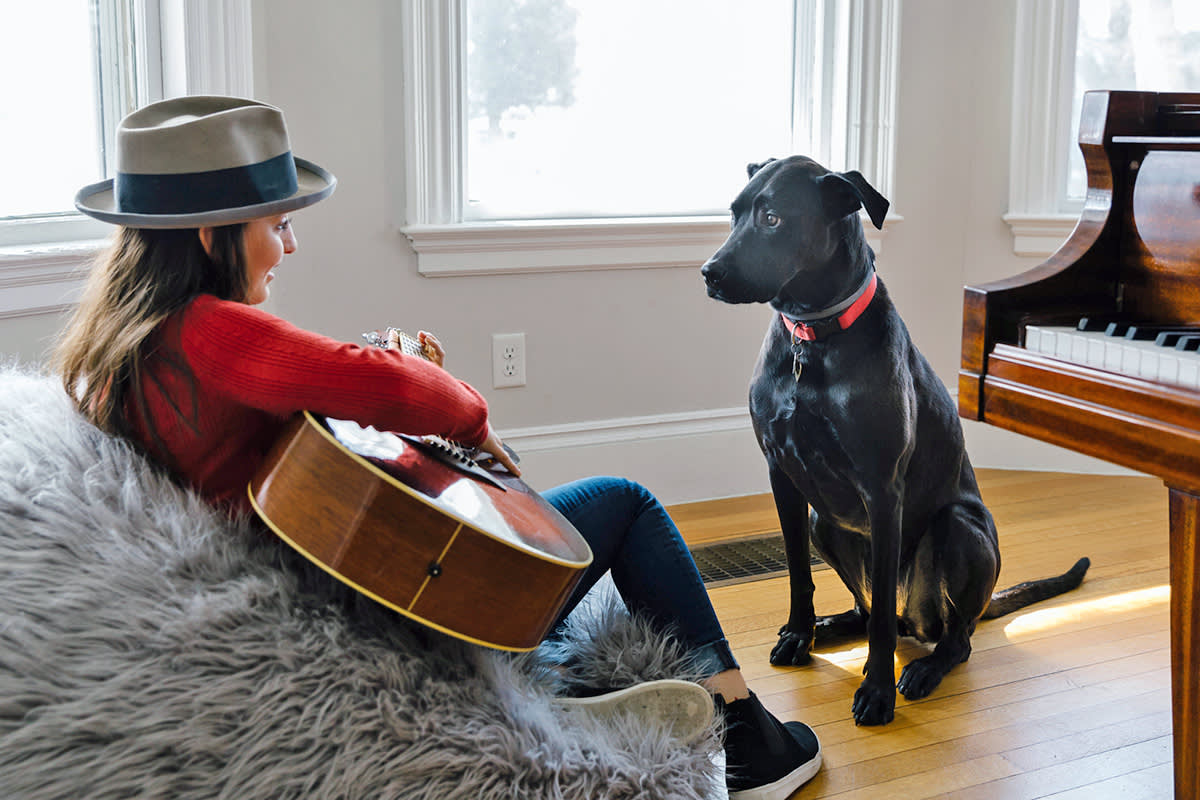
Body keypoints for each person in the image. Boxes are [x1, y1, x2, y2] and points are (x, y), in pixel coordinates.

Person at [55, 95, 821, 799]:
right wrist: (471, 425)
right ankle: (750, 744)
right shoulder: (214, 330)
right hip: (384, 603)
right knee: (627, 503)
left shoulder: (129, 341)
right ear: (210, 234)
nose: (289, 245)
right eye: (277, 225)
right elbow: (408, 392)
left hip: (315, 578)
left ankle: (559, 687)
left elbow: (309, 413)